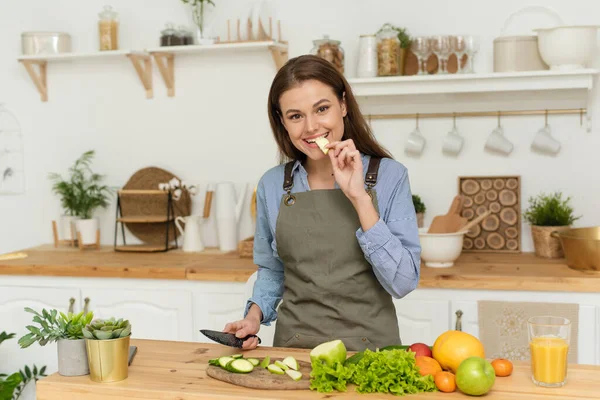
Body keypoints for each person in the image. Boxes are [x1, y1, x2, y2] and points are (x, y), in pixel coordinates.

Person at [223, 54, 421, 352]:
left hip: (372, 355)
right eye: (295, 116)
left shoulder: (390, 176)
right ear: (282, 122)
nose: (311, 127)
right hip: (294, 351)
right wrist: (253, 316)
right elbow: (273, 270)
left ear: (343, 105)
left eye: (322, 109)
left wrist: (359, 197)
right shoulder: (273, 184)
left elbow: (403, 282)